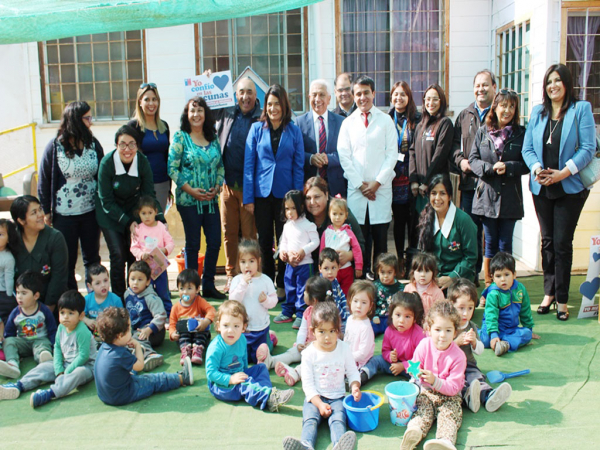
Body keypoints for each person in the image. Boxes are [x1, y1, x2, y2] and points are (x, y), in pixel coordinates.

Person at [521, 63, 596, 321]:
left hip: (569, 187)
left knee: (562, 244)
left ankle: (562, 299)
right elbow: (527, 148)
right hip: (541, 187)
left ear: (566, 83)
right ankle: (549, 292)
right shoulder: (538, 112)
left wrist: (562, 173)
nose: (552, 85)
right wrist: (538, 169)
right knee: (548, 242)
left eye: (557, 80)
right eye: (549, 81)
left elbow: (588, 148)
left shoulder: (581, 109)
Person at [243, 84, 304, 296]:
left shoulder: (294, 131)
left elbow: (298, 166)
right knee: (265, 240)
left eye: (277, 103)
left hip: (285, 197)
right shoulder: (256, 129)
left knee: (286, 241)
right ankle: (267, 282)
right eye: (269, 104)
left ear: (284, 105)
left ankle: (282, 285)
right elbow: (249, 165)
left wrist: (296, 200)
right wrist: (248, 198)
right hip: (262, 195)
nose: (273, 108)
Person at [38, 101, 103, 290]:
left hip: (90, 212)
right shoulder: (55, 146)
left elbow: (103, 172)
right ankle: (72, 302)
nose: (91, 122)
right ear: (75, 119)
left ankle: (94, 298)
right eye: (87, 118)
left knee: (92, 258)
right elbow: (44, 180)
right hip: (64, 215)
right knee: (67, 261)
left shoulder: (93, 144)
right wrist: (46, 212)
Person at [338, 75, 398, 278]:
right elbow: (344, 156)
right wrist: (360, 185)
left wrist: (377, 183)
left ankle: (382, 283)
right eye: (358, 93)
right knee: (358, 238)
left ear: (374, 93)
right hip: (357, 191)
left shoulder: (386, 121)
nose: (362, 97)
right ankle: (360, 281)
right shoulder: (348, 123)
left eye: (366, 92)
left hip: (380, 190)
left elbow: (391, 155)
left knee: (380, 239)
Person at [96, 125, 163, 299]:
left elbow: (149, 194)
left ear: (138, 146)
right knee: (118, 253)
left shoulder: (142, 161)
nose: (127, 149)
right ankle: (119, 298)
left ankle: (135, 295)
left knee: (135, 254)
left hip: (133, 210)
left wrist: (160, 219)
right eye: (122, 144)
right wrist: (127, 222)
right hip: (109, 214)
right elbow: (106, 201)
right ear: (116, 145)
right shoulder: (107, 163)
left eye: (132, 144)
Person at [282, 301, 361, 450]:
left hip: (337, 396)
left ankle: (339, 445)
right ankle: (306, 445)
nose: (327, 337)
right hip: (314, 397)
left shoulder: (344, 348)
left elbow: (352, 371)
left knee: (338, 419)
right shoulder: (308, 353)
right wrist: (319, 403)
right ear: (312, 331)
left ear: (338, 330)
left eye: (332, 331)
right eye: (322, 331)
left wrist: (355, 386)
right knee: (310, 419)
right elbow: (308, 384)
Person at [168, 95, 225, 300]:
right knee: (193, 244)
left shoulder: (212, 136)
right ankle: (191, 288)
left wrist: (217, 186)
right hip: (189, 202)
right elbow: (172, 168)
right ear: (187, 114)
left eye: (200, 110)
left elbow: (220, 166)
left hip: (211, 201)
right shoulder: (180, 137)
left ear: (205, 114)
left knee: (214, 242)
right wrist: (191, 190)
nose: (196, 114)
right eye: (192, 110)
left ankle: (208, 284)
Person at [469, 89, 528, 286]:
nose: (508, 110)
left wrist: (509, 167)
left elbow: (527, 164)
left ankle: (507, 286)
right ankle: (489, 285)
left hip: (511, 197)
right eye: (504, 105)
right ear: (495, 107)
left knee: (505, 244)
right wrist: (490, 169)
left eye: (512, 106)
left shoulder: (521, 134)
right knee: (490, 243)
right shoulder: (483, 131)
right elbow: (473, 160)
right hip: (487, 196)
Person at [0, 290, 96, 408]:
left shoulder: (82, 331)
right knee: (43, 367)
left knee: (78, 373)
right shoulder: (61, 328)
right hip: (66, 363)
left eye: (71, 313)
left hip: (85, 366)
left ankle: (50, 393)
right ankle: (20, 385)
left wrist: (65, 372)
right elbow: (57, 349)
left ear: (81, 316)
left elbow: (83, 356)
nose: (65, 317)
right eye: (62, 313)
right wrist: (58, 369)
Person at [212, 75, 261, 293]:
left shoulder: (262, 118)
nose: (245, 96)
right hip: (227, 186)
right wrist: (209, 82)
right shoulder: (227, 113)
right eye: (241, 92)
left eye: (249, 92)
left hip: (249, 187)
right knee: (228, 232)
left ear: (256, 95)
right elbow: (205, 110)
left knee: (250, 236)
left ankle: (251, 277)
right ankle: (231, 275)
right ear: (236, 95)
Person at [205, 300, 295, 412]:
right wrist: (231, 379)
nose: (230, 331)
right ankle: (267, 397)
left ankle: (266, 392)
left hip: (238, 374)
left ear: (244, 327)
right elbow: (211, 374)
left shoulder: (242, 339)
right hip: (221, 386)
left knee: (261, 368)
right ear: (218, 326)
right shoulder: (216, 348)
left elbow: (243, 359)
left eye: (236, 326)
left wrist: (246, 372)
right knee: (245, 384)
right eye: (226, 325)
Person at [400, 301, 467, 450]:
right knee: (422, 410)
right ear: (429, 330)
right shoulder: (424, 345)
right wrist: (415, 372)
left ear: (455, 332)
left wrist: (435, 381)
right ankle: (414, 432)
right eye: (438, 329)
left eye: (448, 330)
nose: (442, 335)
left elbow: (454, 387)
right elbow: (415, 366)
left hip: (450, 397)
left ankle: (444, 441)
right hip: (426, 392)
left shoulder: (459, 356)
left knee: (449, 415)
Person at [94, 306, 193, 406]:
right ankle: (182, 378)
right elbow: (140, 365)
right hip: (123, 395)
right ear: (119, 335)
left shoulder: (104, 347)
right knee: (154, 380)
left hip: (106, 396)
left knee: (131, 368)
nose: (131, 331)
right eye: (129, 329)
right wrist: (137, 346)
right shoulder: (119, 354)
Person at [452, 70, 497, 286]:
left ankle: (492, 279)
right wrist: (461, 161)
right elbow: (454, 147)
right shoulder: (464, 115)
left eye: (485, 85)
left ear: (494, 87)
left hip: (492, 185)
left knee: (490, 235)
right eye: (478, 85)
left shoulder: (500, 113)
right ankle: (472, 276)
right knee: (470, 231)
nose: (481, 89)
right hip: (470, 185)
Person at [447, 278, 512, 413]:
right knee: (459, 381)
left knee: (476, 377)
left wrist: (475, 343)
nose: (466, 313)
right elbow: (439, 349)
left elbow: (480, 351)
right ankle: (468, 397)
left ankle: (489, 396)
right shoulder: (447, 326)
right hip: (449, 366)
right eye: (461, 308)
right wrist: (456, 343)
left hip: (468, 365)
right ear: (451, 305)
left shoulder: (471, 327)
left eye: (470, 308)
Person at [257, 276, 335, 387]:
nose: (303, 294)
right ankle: (270, 361)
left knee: (309, 363)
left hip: (321, 351)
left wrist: (313, 346)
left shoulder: (327, 316)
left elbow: (328, 337)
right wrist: (299, 343)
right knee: (292, 353)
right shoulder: (308, 312)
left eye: (305, 292)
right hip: (305, 346)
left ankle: (295, 373)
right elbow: (303, 330)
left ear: (315, 299)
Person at [417, 174, 478, 290]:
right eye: (433, 193)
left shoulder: (463, 220)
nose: (437, 198)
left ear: (450, 196)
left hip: (460, 282)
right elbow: (422, 254)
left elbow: (470, 257)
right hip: (433, 280)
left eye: (442, 193)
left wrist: (452, 277)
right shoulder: (426, 218)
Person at [10, 195, 68, 310]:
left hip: (51, 304)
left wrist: (47, 309)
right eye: (34, 213)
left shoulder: (55, 238)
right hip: (19, 306)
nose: (41, 215)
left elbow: (59, 277)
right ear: (21, 220)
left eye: (40, 209)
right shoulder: (11, 239)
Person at [388, 81, 422, 271]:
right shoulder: (387, 118)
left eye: (403, 94)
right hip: (394, 179)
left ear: (409, 97)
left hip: (412, 176)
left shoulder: (417, 119)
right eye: (395, 94)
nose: (399, 98)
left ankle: (412, 260)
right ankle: (400, 259)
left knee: (414, 222)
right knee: (398, 221)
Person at [229, 239, 278, 363]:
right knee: (242, 356)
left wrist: (266, 300)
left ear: (258, 261)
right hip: (243, 330)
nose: (247, 266)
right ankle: (269, 339)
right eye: (243, 262)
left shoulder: (265, 280)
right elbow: (233, 301)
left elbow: (274, 301)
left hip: (261, 328)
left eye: (251, 261)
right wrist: (243, 284)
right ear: (238, 263)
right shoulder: (237, 280)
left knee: (261, 354)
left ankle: (270, 340)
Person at [275, 190, 320, 328]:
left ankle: (301, 314)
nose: (289, 212)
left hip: (305, 265)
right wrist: (283, 252)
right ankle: (288, 312)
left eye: (293, 208)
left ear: (301, 207)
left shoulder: (308, 225)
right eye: (287, 208)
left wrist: (303, 251)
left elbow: (315, 241)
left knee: (303, 290)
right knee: (290, 287)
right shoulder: (287, 226)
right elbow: (284, 242)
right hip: (290, 265)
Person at [360, 292, 425, 385]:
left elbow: (421, 359)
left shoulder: (419, 334)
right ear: (391, 315)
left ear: (414, 319)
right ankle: (363, 375)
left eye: (407, 316)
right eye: (398, 315)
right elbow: (385, 350)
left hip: (412, 367)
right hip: (394, 365)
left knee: (421, 374)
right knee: (377, 360)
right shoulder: (389, 330)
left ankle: (414, 386)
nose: (401, 320)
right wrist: (390, 356)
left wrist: (403, 366)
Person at [0, 272, 57, 379]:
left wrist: (54, 346)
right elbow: (9, 332)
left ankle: (44, 359)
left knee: (44, 345)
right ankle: (13, 365)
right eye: (17, 293)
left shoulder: (43, 311)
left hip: (39, 341)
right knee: (8, 341)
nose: (19, 297)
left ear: (36, 296)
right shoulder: (15, 313)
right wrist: (7, 344)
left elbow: (52, 330)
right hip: (23, 342)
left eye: (24, 293)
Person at [409, 84, 454, 217]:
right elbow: (412, 153)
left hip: (436, 187)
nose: (431, 103)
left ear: (442, 101)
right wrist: (414, 180)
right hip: (419, 189)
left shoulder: (445, 124)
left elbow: (439, 156)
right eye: (427, 99)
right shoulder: (420, 126)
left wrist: (427, 182)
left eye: (435, 99)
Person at [297, 79, 347, 197]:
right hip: (310, 185)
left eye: (322, 95)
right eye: (314, 95)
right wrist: (311, 158)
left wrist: (328, 158)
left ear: (329, 99)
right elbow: (296, 152)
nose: (317, 99)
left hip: (335, 184)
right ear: (309, 97)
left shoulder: (341, 122)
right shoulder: (300, 122)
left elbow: (347, 153)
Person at [304, 177, 365, 270]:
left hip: (343, 271)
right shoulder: (301, 214)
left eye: (317, 197)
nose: (312, 202)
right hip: (308, 270)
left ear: (327, 195)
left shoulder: (339, 211)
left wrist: (350, 255)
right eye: (308, 198)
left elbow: (361, 244)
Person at [128, 83, 171, 211]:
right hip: (142, 186)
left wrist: (169, 187)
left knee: (158, 225)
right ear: (140, 102)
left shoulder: (164, 126)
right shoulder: (133, 126)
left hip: (162, 183)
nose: (151, 103)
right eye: (147, 99)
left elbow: (166, 156)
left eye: (154, 99)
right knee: (144, 227)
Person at [480, 252, 534, 356]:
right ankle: (477, 334)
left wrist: (529, 328)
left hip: (510, 329)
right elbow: (491, 316)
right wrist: (494, 335)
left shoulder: (520, 289)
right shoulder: (493, 293)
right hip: (493, 327)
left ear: (514, 274)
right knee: (486, 341)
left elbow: (525, 311)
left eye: (507, 274)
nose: (503, 279)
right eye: (498, 276)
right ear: (493, 278)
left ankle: (505, 344)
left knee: (527, 334)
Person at [130, 195, 175, 315]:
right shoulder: (138, 229)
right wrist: (141, 254)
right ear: (139, 214)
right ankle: (146, 315)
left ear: (156, 212)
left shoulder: (161, 227)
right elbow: (133, 247)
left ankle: (168, 314)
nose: (147, 216)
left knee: (163, 291)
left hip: (159, 266)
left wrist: (165, 250)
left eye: (150, 212)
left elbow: (170, 243)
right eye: (143, 213)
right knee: (145, 292)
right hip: (144, 268)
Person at [123, 261, 166, 371]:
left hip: (154, 332)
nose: (135, 283)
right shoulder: (127, 294)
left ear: (148, 281)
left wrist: (149, 329)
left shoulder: (150, 297)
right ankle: (135, 353)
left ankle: (150, 354)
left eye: (140, 279)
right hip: (136, 331)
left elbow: (161, 316)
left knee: (138, 338)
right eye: (132, 279)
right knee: (125, 339)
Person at [170, 269, 215, 366]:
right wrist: (172, 333)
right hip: (184, 334)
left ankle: (197, 350)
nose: (185, 292)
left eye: (189, 288)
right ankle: (185, 351)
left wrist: (206, 321)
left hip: (199, 331)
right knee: (182, 335)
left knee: (201, 334)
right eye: (181, 288)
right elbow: (172, 323)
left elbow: (211, 310)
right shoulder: (176, 307)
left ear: (197, 289)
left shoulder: (199, 301)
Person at [319, 196, 363, 295]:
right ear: (329, 214)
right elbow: (322, 252)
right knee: (330, 292)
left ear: (346, 215)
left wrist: (358, 266)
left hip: (346, 269)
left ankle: (345, 309)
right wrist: (322, 268)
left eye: (341, 214)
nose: (337, 217)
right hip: (331, 270)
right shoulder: (326, 232)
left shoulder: (348, 232)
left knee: (346, 293)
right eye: (334, 214)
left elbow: (357, 249)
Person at [83, 264, 123, 337]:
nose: (103, 285)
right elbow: (79, 315)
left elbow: (122, 320)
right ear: (90, 286)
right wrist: (87, 321)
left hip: (111, 334)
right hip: (92, 334)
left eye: (105, 280)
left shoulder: (116, 300)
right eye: (98, 283)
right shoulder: (87, 299)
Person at [344, 280, 375, 370]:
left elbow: (362, 354)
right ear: (350, 301)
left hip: (360, 364)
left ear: (370, 306)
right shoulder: (350, 319)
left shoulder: (365, 327)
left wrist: (346, 358)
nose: (358, 306)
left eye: (364, 302)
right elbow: (346, 340)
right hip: (347, 358)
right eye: (356, 301)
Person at [318, 248, 350, 333]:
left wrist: (347, 315)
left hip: (341, 317)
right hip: (328, 321)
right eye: (326, 268)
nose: (330, 272)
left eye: (333, 268)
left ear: (339, 267)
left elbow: (342, 298)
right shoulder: (320, 285)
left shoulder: (335, 281)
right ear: (320, 268)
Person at [372, 253, 404, 335]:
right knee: (370, 329)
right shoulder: (374, 286)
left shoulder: (400, 288)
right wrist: (374, 315)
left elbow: (403, 305)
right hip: (378, 318)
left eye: (389, 272)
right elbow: (371, 303)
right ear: (378, 272)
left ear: (395, 272)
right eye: (382, 272)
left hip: (394, 319)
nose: (386, 276)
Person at [0, 219, 18, 324]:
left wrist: (9, 295)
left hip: (3, 293)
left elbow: (9, 278)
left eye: (1, 234)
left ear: (8, 239)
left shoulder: (8, 258)